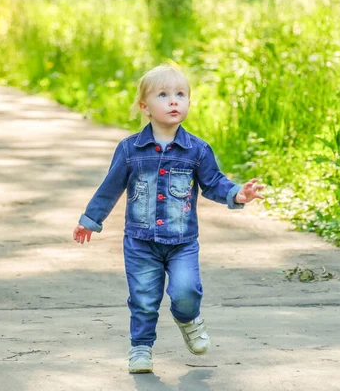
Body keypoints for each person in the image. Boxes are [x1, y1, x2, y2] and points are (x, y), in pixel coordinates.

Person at [72, 64, 265, 373]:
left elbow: (214, 183)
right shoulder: (130, 150)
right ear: (145, 107)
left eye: (180, 94)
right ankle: (141, 349)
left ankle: (188, 319)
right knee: (144, 299)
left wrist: (238, 194)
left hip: (181, 243)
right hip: (140, 243)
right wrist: (90, 220)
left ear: (188, 102)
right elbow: (110, 188)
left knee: (186, 292)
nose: (174, 101)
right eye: (163, 95)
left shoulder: (198, 150)